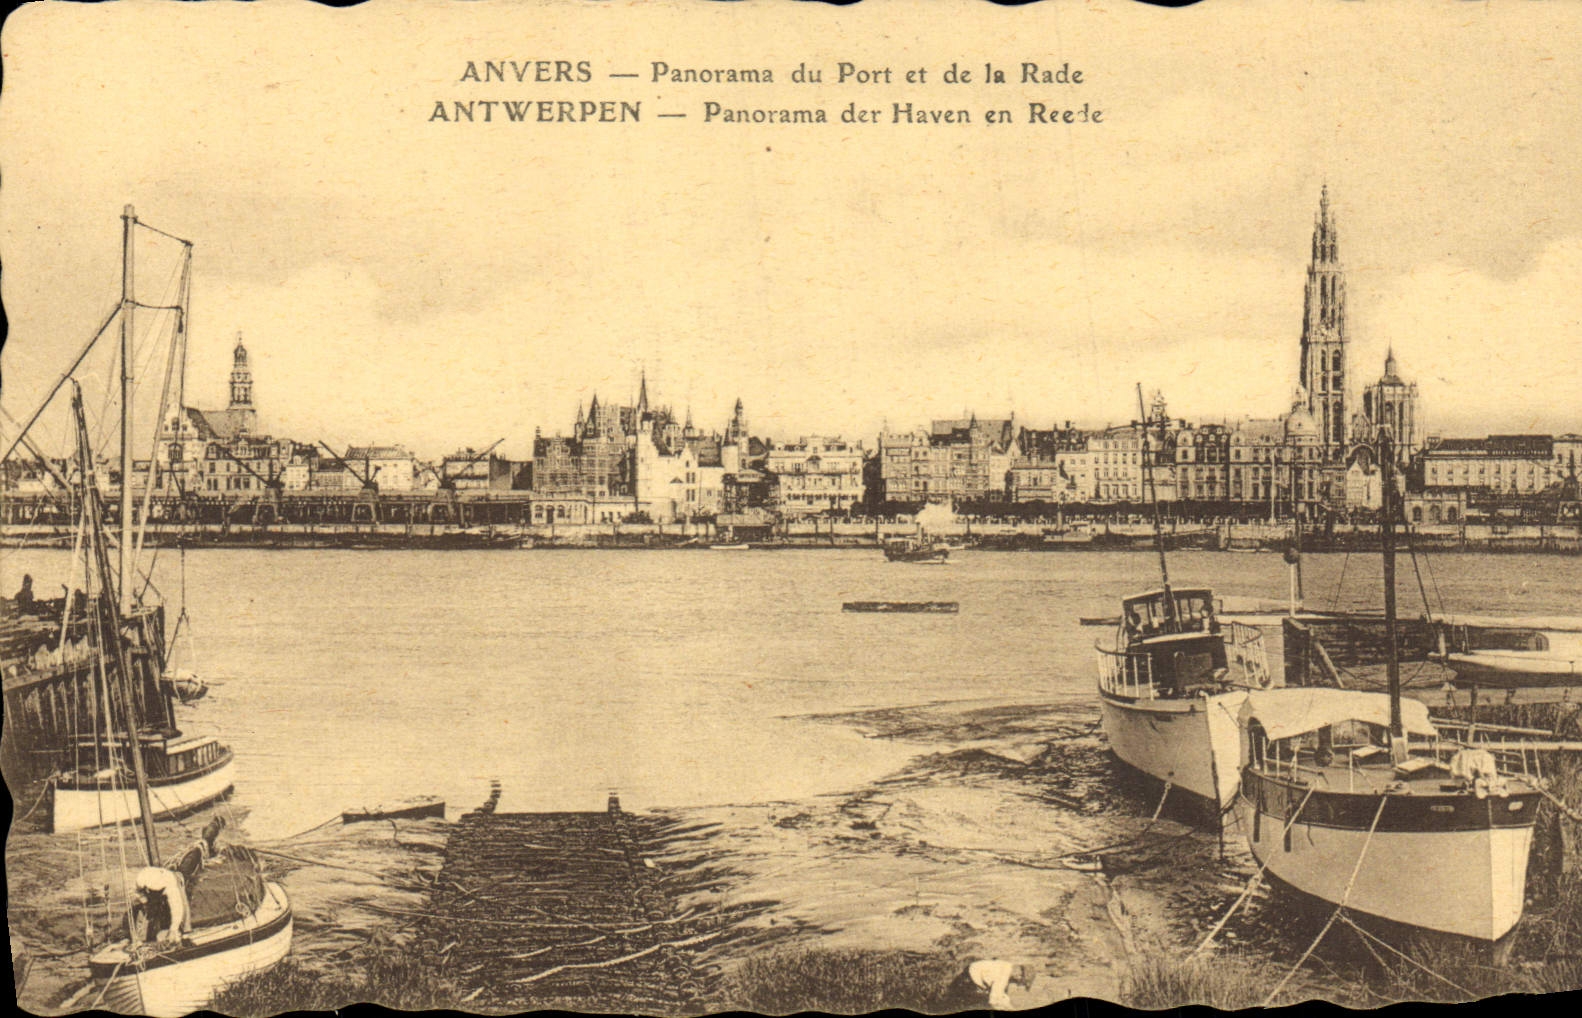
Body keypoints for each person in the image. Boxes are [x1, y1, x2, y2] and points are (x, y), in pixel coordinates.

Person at [940, 959, 1036, 1011]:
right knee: (984, 1005)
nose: (1018, 985)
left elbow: (1002, 994)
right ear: (1019, 975)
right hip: (967, 983)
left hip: (968, 977)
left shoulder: (1007, 966)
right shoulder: (1003, 977)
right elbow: (994, 1001)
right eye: (1020, 983)